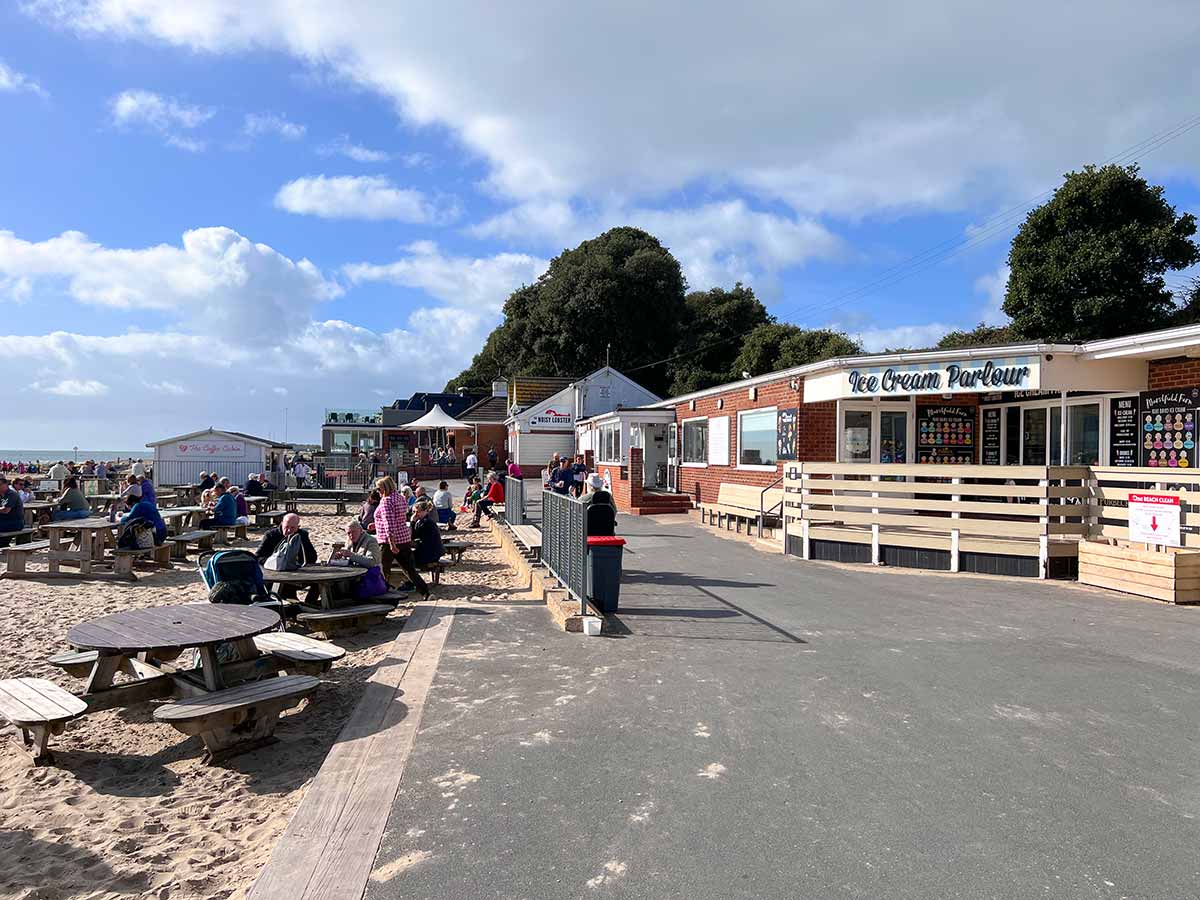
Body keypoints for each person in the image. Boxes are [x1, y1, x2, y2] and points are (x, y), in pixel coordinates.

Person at [373, 476, 429, 599]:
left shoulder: (386, 500)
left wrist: (391, 542)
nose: (377, 491)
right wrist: (376, 523)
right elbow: (399, 518)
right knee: (409, 568)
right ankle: (425, 592)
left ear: (385, 488)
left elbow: (389, 522)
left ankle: (383, 593)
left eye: (378, 488)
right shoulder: (400, 498)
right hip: (404, 537)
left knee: (384, 568)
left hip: (389, 540)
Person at [410, 500, 444, 566]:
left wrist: (412, 522)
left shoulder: (426, 523)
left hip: (430, 554)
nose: (415, 514)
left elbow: (413, 536)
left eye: (418, 512)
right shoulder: (423, 521)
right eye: (414, 512)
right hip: (432, 552)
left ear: (425, 511)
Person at [0, 476, 23, 543]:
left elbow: (5, 510)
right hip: (4, 521)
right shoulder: (1, 495)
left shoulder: (11, 494)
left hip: (15, 522)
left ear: (6, 484)